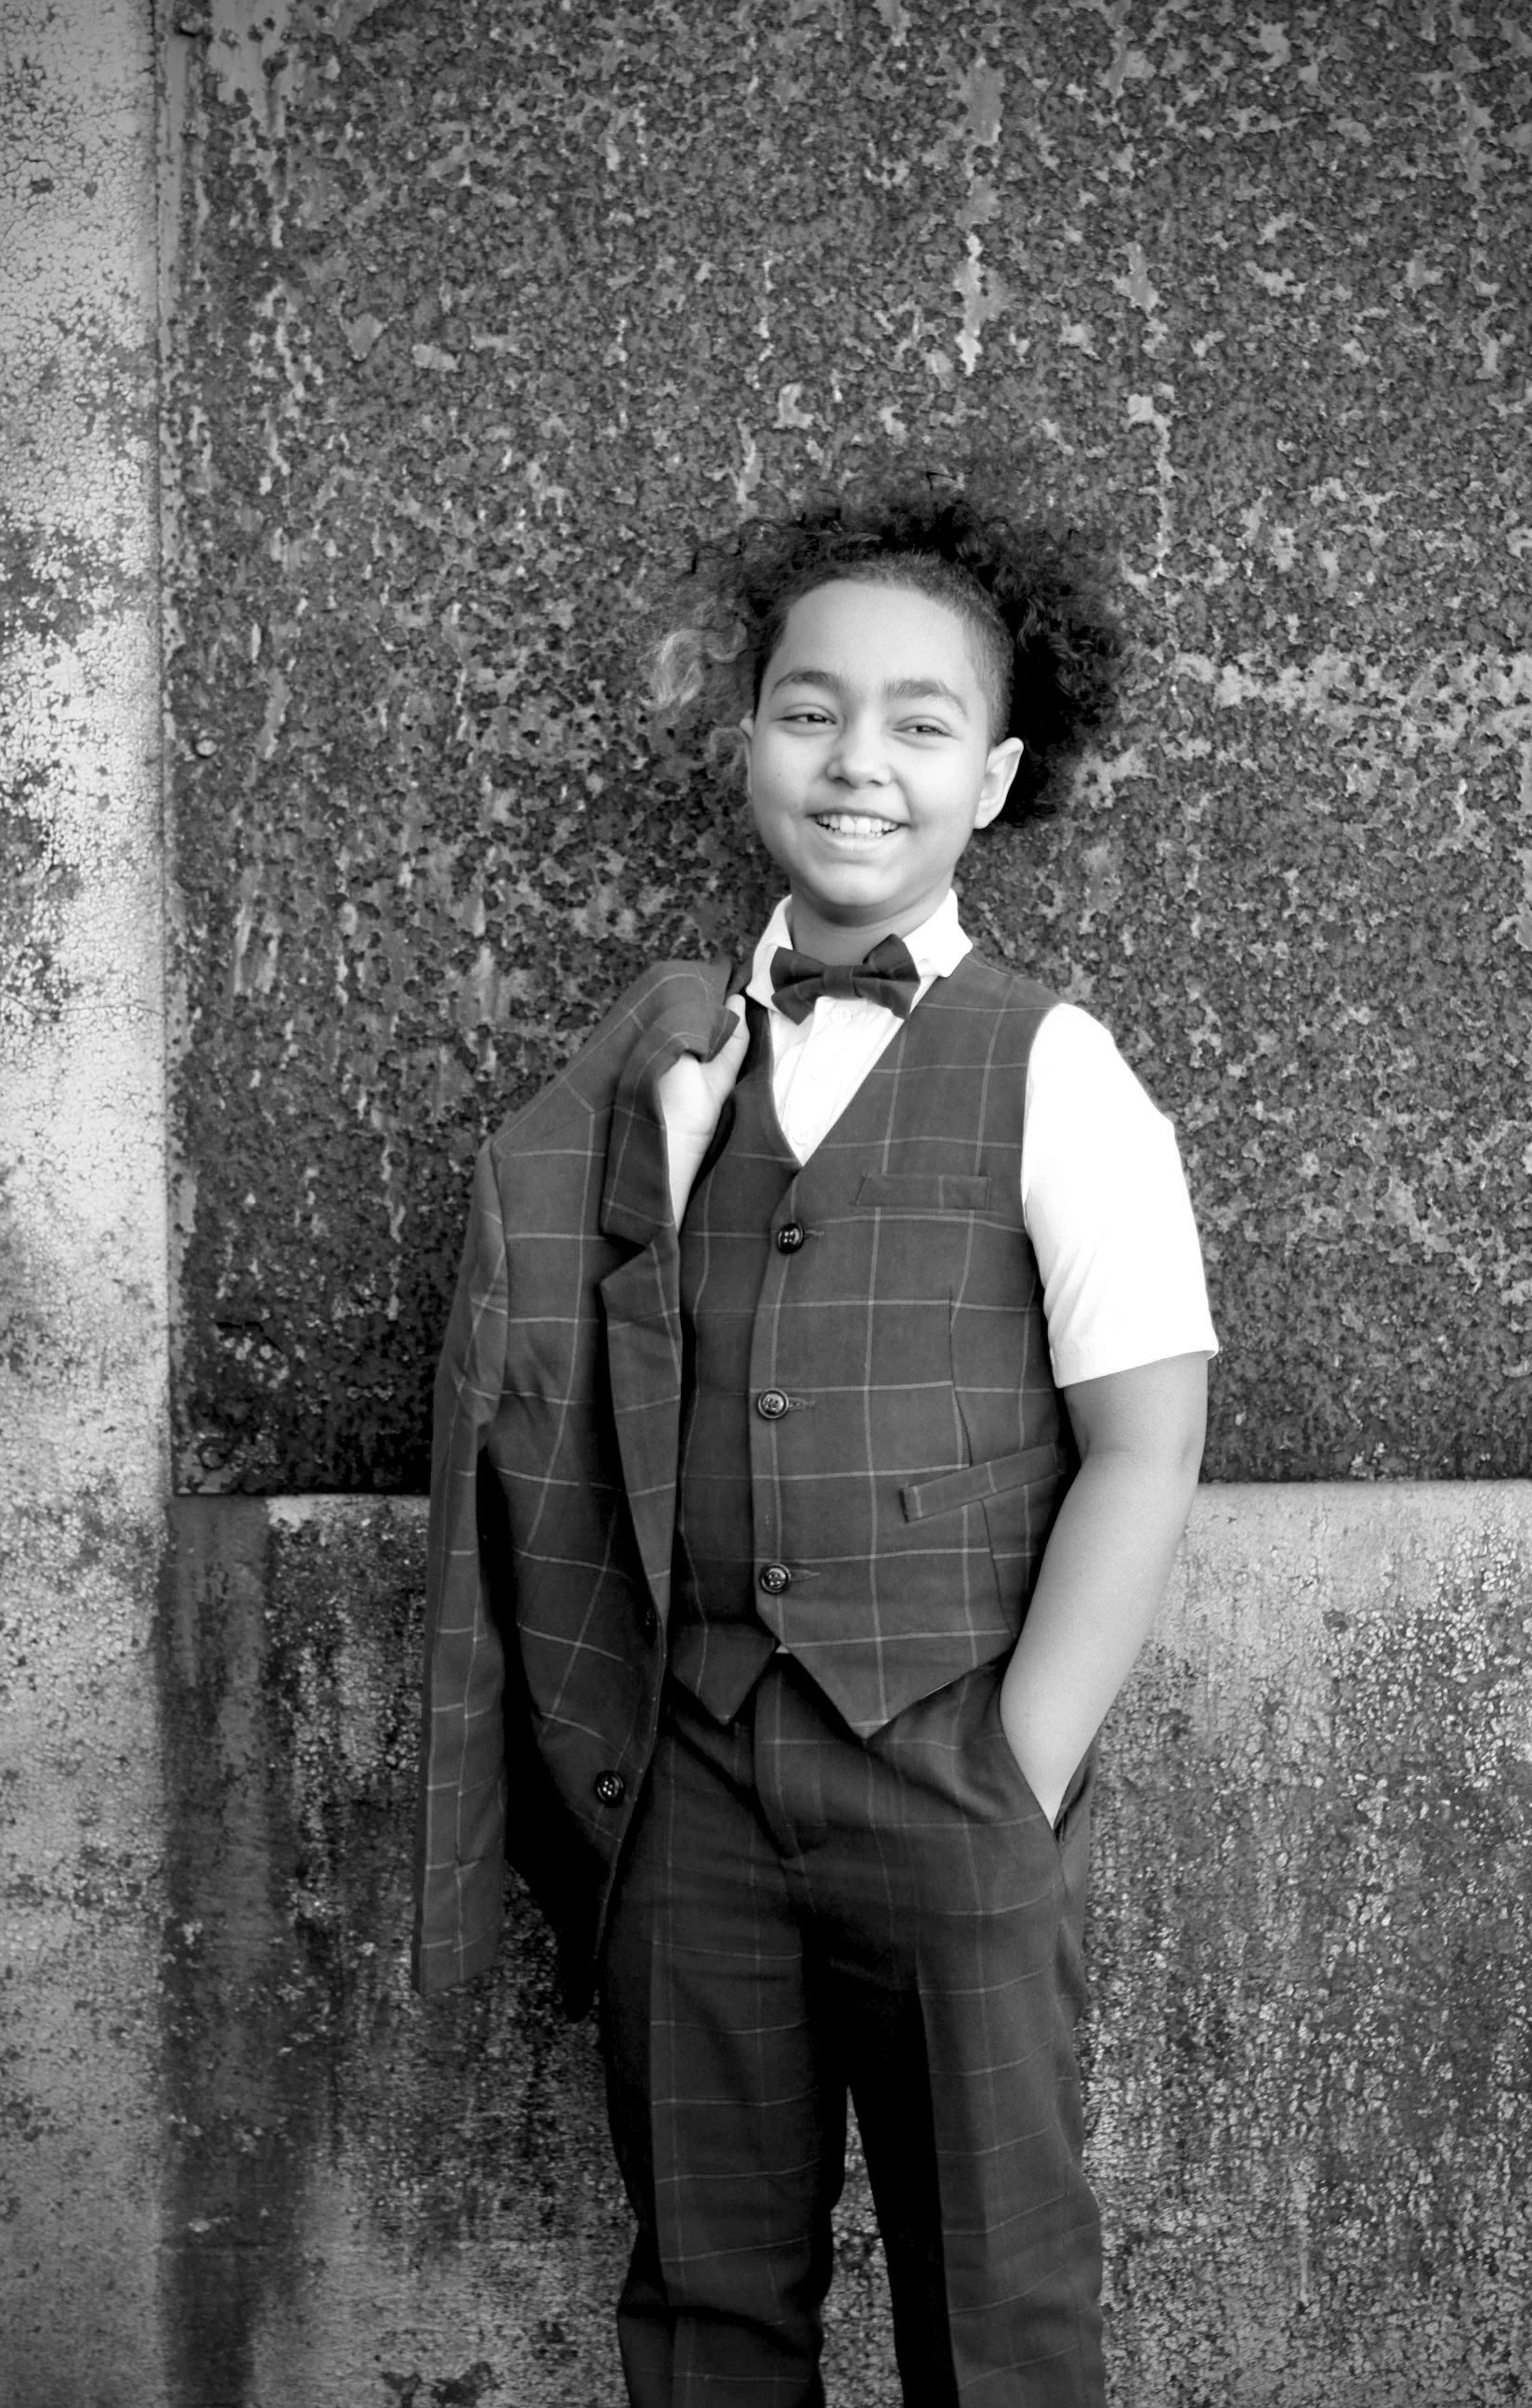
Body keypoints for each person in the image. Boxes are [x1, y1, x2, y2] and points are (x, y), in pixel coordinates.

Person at [412, 484, 1218, 2407]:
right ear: (749, 736)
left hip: (944, 1769)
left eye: (923, 724)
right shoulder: (663, 1066)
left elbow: (1147, 1439)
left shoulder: (1057, 1067)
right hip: (687, 1778)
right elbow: (567, 1373)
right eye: (810, 709)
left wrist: (1012, 1779)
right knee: (705, 2299)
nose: (860, 762)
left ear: (997, 776)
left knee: (1000, 2303)